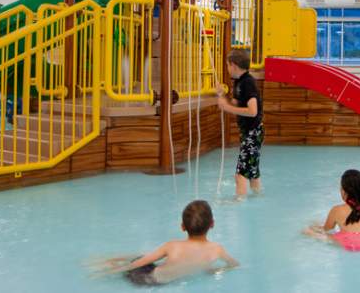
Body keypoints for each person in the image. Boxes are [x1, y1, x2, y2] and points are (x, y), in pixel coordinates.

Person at [94, 200, 238, 285]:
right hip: (168, 282)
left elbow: (140, 263)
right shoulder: (217, 250)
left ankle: (106, 264)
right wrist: (213, 271)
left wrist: (116, 271)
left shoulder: (172, 246)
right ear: (212, 224)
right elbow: (234, 265)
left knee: (138, 258)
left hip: (146, 280)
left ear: (182, 227)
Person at [217, 49, 264, 196]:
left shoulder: (248, 83)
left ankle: (239, 203)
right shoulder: (239, 82)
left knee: (240, 175)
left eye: (227, 65)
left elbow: (252, 111)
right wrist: (222, 96)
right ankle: (258, 198)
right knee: (253, 173)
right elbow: (236, 104)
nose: (227, 68)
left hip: (253, 133)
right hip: (250, 133)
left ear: (234, 65)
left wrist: (228, 108)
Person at [303, 170, 360, 252]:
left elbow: (326, 230)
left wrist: (314, 228)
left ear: (344, 191)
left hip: (352, 244)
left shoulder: (337, 210)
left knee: (308, 231)